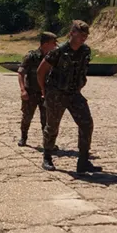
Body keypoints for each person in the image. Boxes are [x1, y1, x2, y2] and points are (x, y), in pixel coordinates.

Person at [37, 20, 101, 174]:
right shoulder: (59, 51)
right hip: (56, 93)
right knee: (52, 126)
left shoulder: (85, 51)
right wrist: (44, 91)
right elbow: (41, 70)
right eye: (81, 34)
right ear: (72, 33)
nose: (83, 38)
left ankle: (83, 161)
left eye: (86, 35)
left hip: (74, 93)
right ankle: (47, 157)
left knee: (86, 124)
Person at [18, 31, 58, 147]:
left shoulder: (52, 57)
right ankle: (23, 137)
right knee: (27, 117)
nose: (56, 45)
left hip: (45, 93)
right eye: (53, 42)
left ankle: (47, 143)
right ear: (45, 44)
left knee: (46, 119)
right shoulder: (31, 56)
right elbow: (21, 73)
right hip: (30, 92)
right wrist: (23, 90)